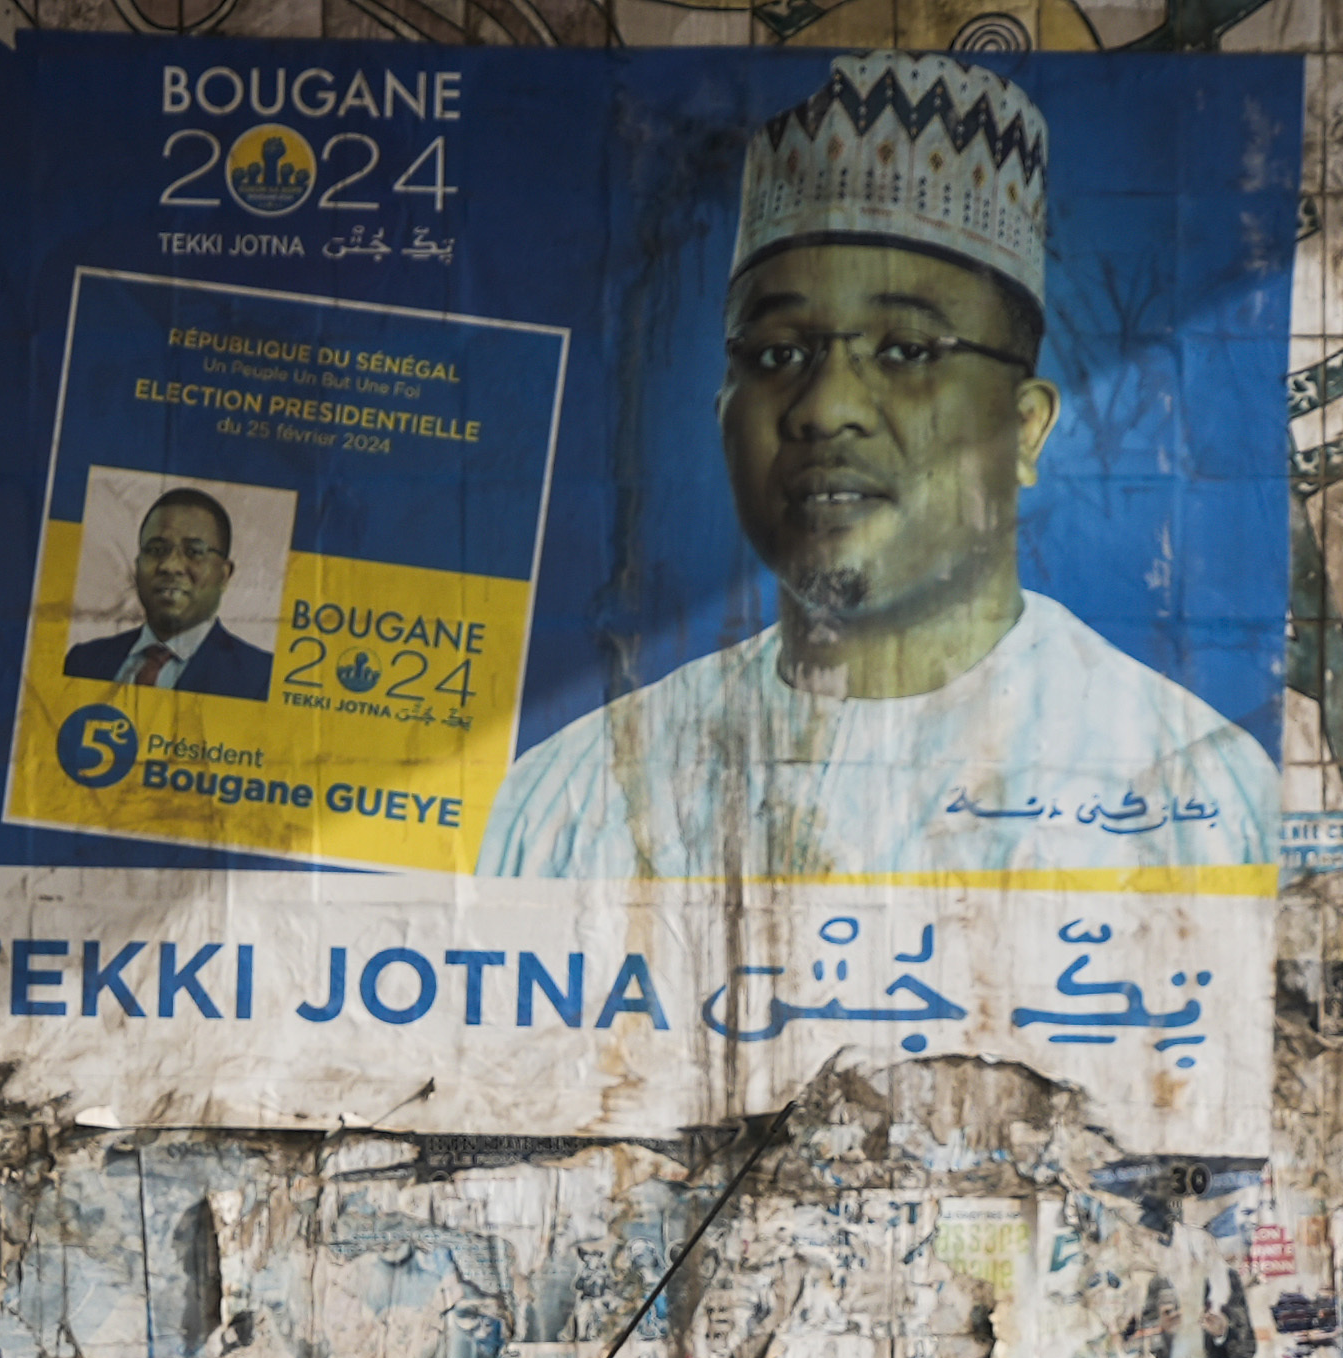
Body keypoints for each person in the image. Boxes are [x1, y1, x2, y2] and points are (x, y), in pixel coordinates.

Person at [480, 54, 1276, 883]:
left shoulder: (1189, 792)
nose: (824, 408)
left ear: (1025, 429)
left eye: (905, 351)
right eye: (779, 352)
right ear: (724, 415)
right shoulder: (574, 803)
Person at [59, 489, 274, 700]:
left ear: (224, 575)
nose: (170, 566)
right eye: (156, 550)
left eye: (194, 552)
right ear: (137, 566)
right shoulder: (83, 662)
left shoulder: (262, 678)